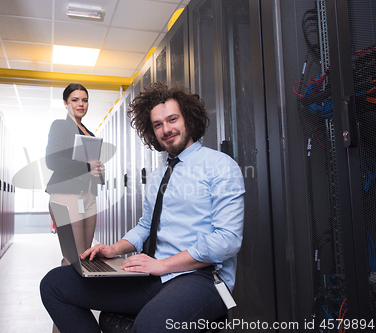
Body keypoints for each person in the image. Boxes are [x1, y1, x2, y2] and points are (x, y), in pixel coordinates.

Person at [40, 82, 245, 333]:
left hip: (201, 278)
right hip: (154, 276)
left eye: (172, 119)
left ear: (189, 120)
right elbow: (146, 226)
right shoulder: (159, 175)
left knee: (152, 325)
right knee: (55, 283)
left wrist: (163, 265)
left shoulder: (220, 166)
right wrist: (113, 249)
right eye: (158, 125)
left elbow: (227, 240)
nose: (166, 129)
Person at [45, 83, 105, 261]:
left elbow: (90, 165)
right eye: (75, 100)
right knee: (74, 257)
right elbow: (52, 160)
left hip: (88, 195)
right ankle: (65, 289)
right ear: (65, 103)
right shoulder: (60, 126)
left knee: (86, 254)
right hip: (65, 194)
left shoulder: (91, 134)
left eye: (85, 100)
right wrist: (87, 167)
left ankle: (80, 289)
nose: (81, 104)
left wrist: (98, 170)